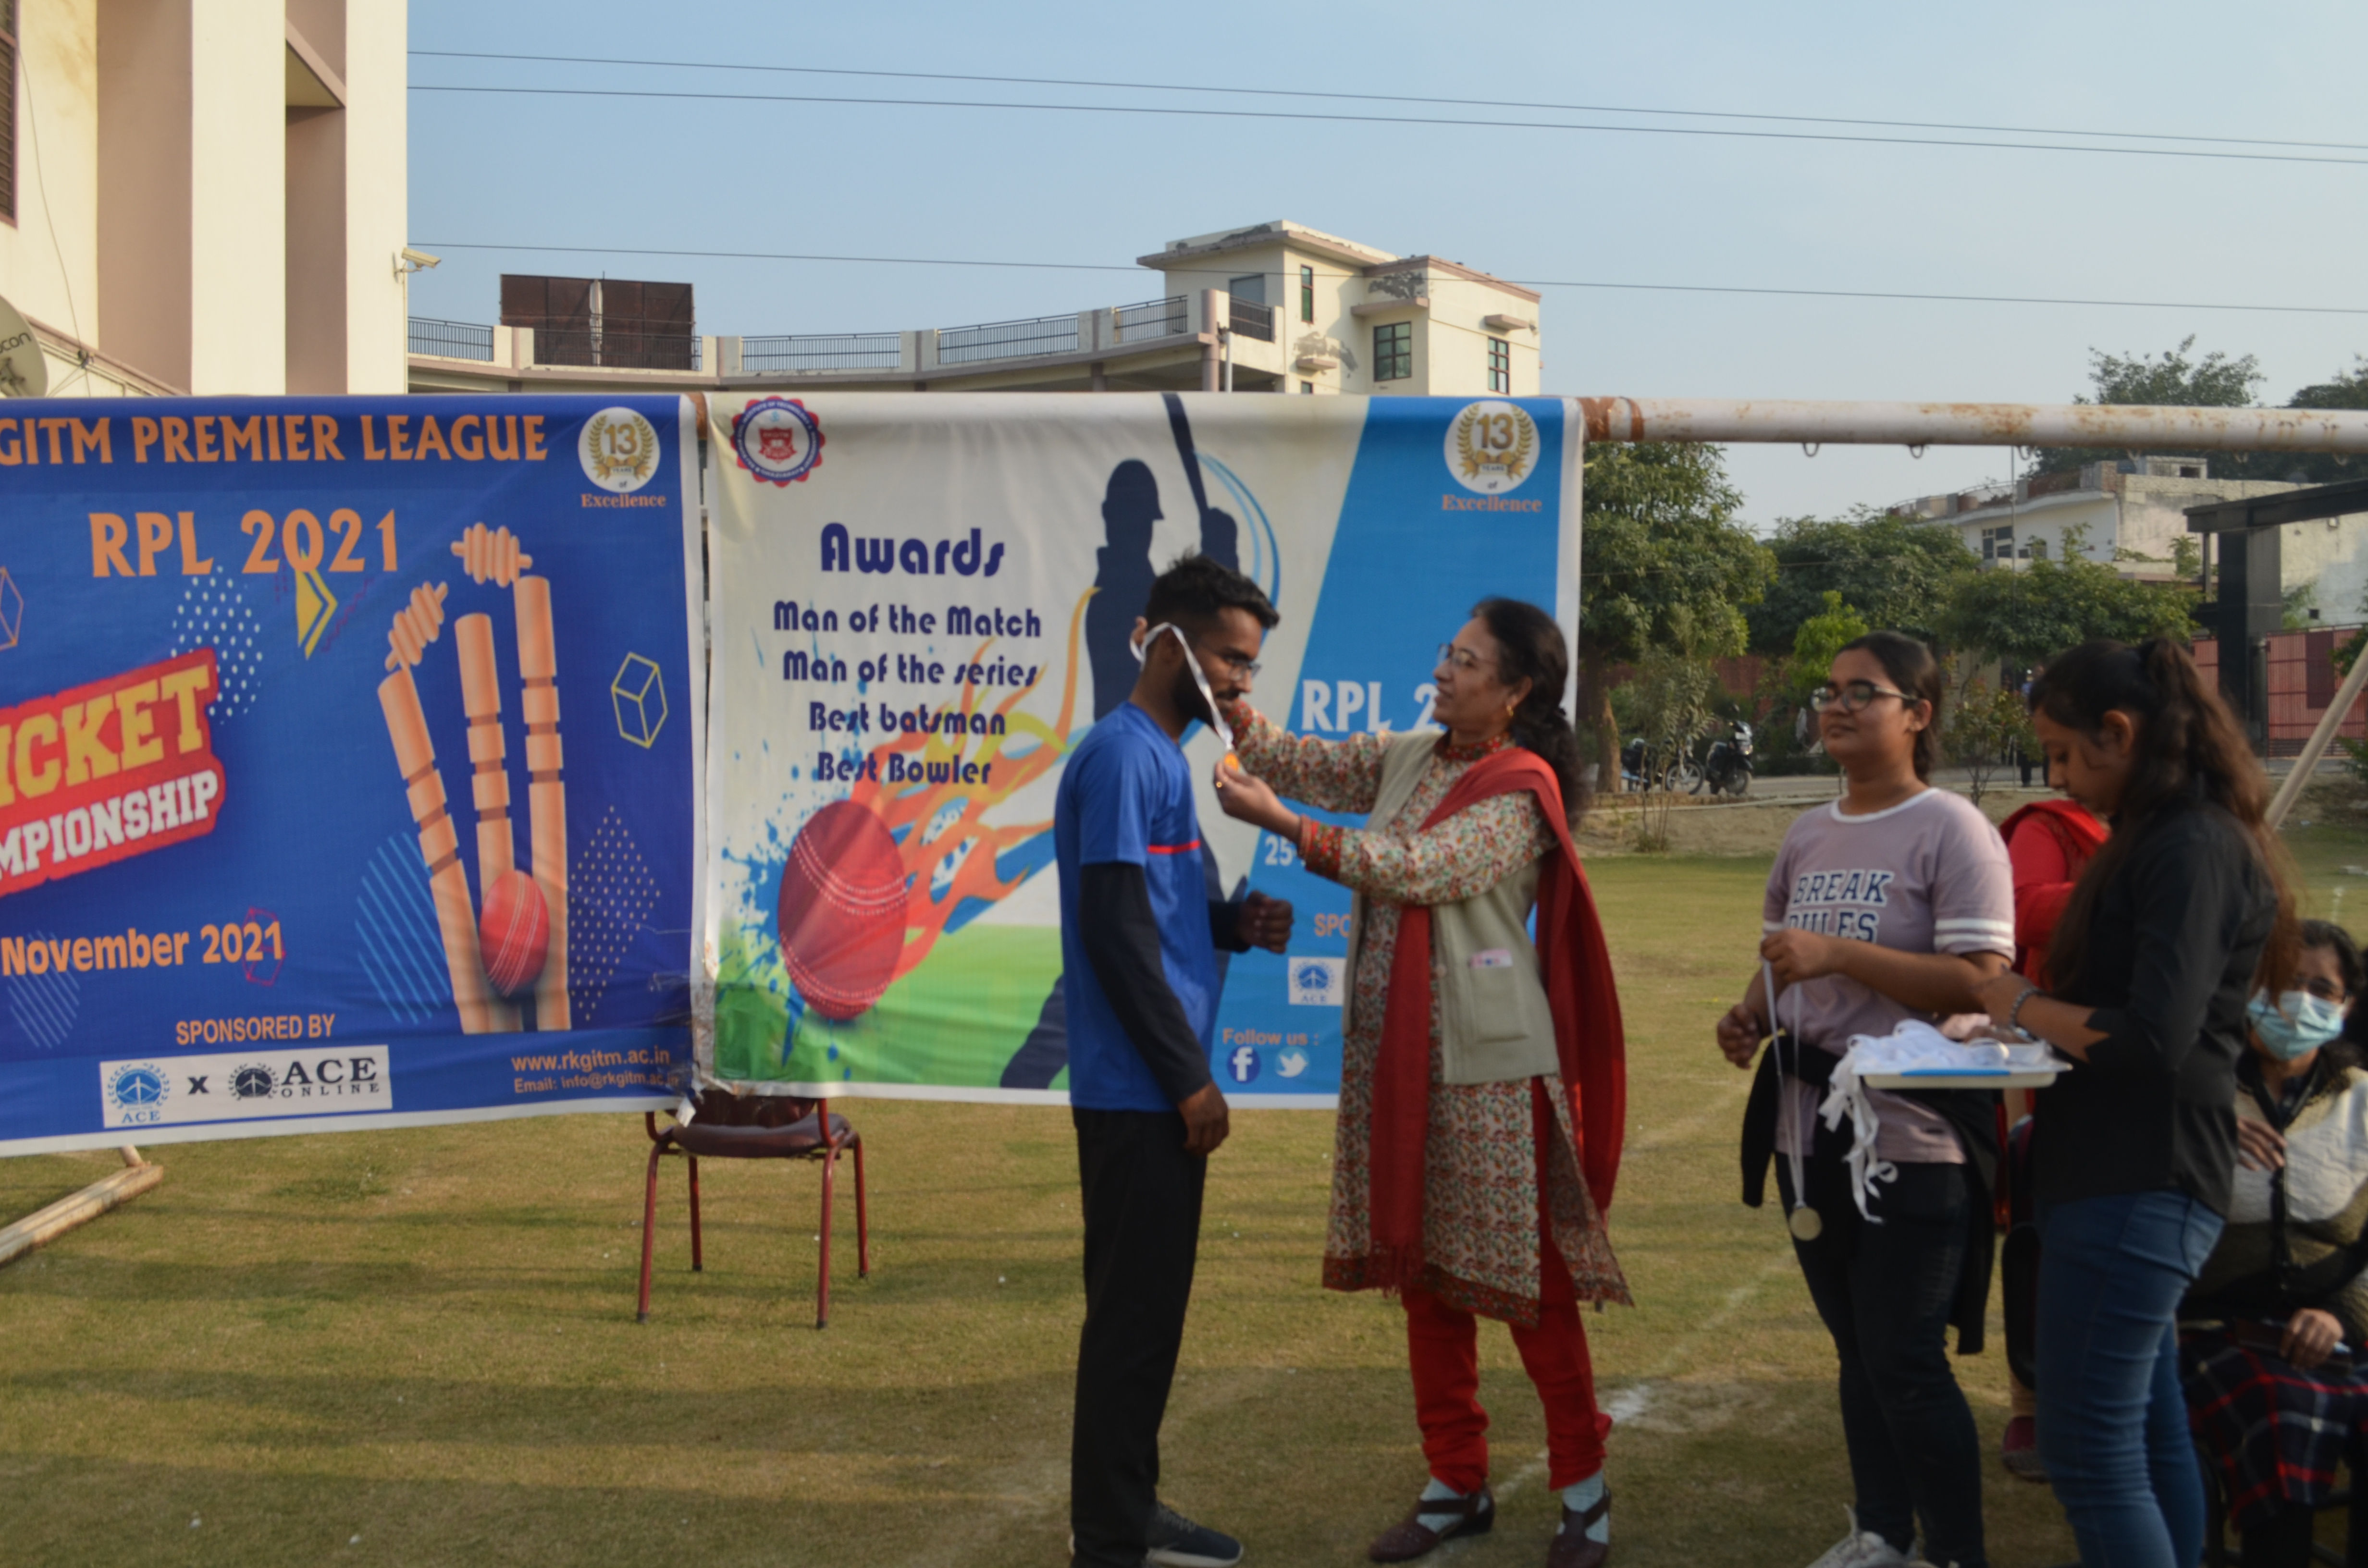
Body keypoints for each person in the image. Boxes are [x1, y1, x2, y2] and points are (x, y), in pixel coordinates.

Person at [1211, 598, 1628, 1568]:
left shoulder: (1520, 789)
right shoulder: (1413, 754)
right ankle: (1455, 1482)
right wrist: (1231, 709)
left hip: (1489, 1073)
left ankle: (1584, 1491)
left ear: (1516, 691)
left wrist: (1287, 828)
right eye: (1448, 652)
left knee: (1528, 1289)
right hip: (1396, 1065)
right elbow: (1299, 759)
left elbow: (1419, 869)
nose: (1443, 670)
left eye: (1467, 661)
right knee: (1427, 1283)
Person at [1970, 637, 2298, 1568]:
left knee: (2086, 1450)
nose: (2058, 779)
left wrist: (2020, 1004)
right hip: (2115, 1171)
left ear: (2119, 733)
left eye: (2064, 755)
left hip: (2139, 1178)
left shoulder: (2193, 844)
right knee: (2147, 1435)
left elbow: (2154, 1039)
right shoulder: (2159, 836)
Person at [1719, 631, 2015, 1568]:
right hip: (1805, 1130)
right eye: (1829, 691)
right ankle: (1883, 1535)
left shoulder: (1952, 827)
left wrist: (1840, 955)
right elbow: (1784, 960)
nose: (1836, 706)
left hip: (1913, 1136)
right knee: (1857, 1352)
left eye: (1863, 692)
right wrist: (1750, 1013)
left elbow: (1982, 981)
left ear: (1918, 714)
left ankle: (1954, 1554)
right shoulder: (1809, 831)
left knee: (1906, 1360)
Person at [1056, 553, 1295, 1568]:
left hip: (1151, 1087)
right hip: (1139, 1091)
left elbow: (1160, 912)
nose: (1241, 681)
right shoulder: (1123, 756)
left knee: (1147, 1317)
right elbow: (1114, 933)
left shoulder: (1162, 757)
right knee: (1132, 1321)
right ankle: (1112, 1538)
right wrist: (1187, 1081)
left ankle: (1129, 1511)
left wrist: (1236, 923)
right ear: (1166, 646)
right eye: (1229, 659)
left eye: (1248, 664)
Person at [2181, 919, 2368, 1568]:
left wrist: (2341, 1315)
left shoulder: (2362, 1100)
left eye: (2322, 989)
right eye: (2284, 982)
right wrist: (2203, 1128)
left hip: (2342, 1331)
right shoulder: (2195, 1091)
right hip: (2216, 1329)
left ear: (2346, 1006)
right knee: (2286, 1410)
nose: (2300, 1001)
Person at [1993, 789, 2110, 1482]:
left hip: (2151, 1055)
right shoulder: (2051, 827)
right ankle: (2032, 1401)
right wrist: (2133, 886)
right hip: (2053, 1059)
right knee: (2043, 1234)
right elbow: (2025, 909)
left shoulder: (2185, 824)